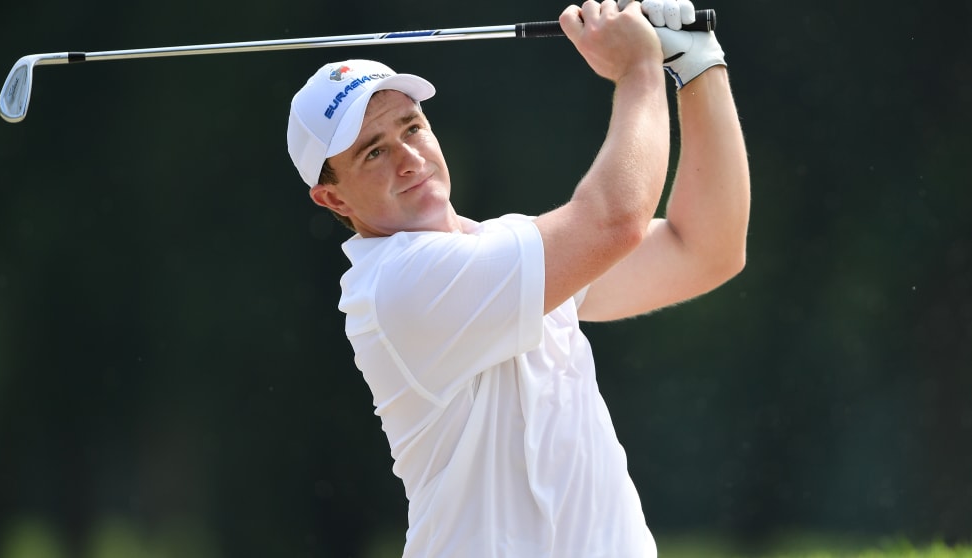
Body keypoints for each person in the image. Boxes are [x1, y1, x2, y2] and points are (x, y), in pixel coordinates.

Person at [285, 0, 749, 555]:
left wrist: (699, 68)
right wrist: (641, 71)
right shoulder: (396, 285)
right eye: (374, 152)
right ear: (332, 197)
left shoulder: (508, 250)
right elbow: (614, 221)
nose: (409, 159)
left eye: (413, 127)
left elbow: (704, 250)